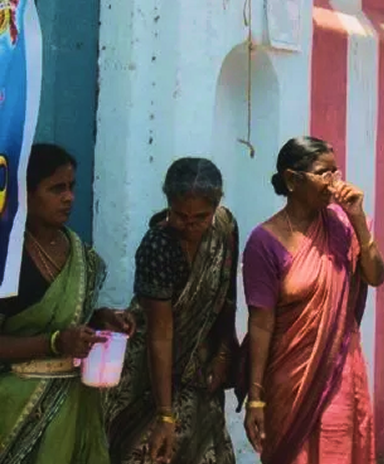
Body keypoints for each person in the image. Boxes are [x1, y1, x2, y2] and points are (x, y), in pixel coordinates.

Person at [240, 136, 384, 464]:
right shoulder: (265, 242)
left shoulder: (344, 225)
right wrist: (256, 397)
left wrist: (359, 220)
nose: (334, 182)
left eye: (336, 172)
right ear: (292, 180)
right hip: (288, 380)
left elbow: (376, 276)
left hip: (338, 371)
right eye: (324, 173)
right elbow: (260, 324)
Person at [0, 143, 133, 464]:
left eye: (72, 187)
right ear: (26, 193)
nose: (69, 197)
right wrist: (55, 342)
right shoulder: (6, 256)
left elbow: (72, 317)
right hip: (18, 407)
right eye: (56, 188)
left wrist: (100, 320)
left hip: (75, 407)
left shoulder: (82, 256)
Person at [105, 157, 239, 464]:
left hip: (199, 366)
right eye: (180, 215)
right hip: (150, 368)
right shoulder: (158, 245)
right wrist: (165, 414)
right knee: (146, 450)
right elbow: (160, 332)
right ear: (168, 204)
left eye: (200, 217)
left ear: (216, 205)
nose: (190, 225)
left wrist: (223, 353)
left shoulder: (224, 228)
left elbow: (226, 295)